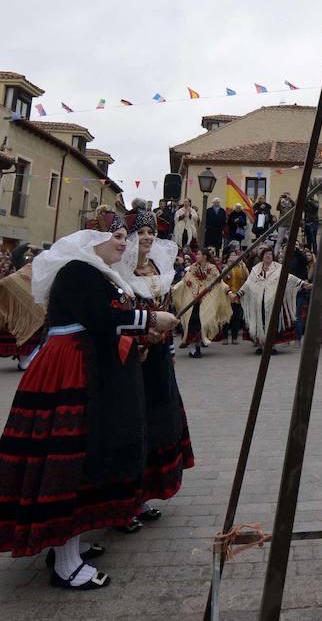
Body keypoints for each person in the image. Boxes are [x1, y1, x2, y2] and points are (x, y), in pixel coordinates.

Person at [0, 221, 180, 589]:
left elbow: (108, 322)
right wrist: (150, 319)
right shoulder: (78, 270)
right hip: (73, 372)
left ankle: (67, 549)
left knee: (86, 458)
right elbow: (101, 318)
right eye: (114, 237)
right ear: (92, 241)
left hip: (89, 369)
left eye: (121, 237)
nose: (122, 243)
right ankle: (66, 564)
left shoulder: (98, 272)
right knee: (72, 462)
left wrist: (142, 333)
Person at [118, 208, 194, 526]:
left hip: (159, 361)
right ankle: (122, 504)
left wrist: (167, 341)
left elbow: (168, 310)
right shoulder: (117, 272)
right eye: (140, 232)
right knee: (130, 429)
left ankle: (143, 496)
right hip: (130, 363)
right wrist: (139, 338)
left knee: (157, 425)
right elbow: (116, 318)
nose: (147, 237)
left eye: (151, 232)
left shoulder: (158, 269)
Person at [237, 246, 309, 354]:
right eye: (266, 254)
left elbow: (289, 277)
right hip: (258, 302)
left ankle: (272, 345)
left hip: (273, 302)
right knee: (259, 322)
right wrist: (238, 294)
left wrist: (303, 283)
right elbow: (248, 284)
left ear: (273, 256)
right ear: (262, 256)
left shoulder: (278, 268)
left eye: (270, 254)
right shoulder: (256, 269)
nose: (268, 256)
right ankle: (261, 345)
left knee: (273, 324)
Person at [171, 248, 231, 358]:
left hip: (206, 301)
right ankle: (195, 347)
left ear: (205, 256)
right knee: (192, 322)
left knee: (204, 322)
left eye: (198, 254)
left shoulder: (212, 268)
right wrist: (175, 288)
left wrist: (228, 291)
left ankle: (200, 342)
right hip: (193, 301)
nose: (196, 256)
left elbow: (219, 282)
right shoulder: (193, 267)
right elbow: (185, 280)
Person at [0, 243, 45, 371]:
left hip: (33, 308)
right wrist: (27, 246)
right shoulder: (25, 268)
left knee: (31, 331)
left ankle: (26, 358)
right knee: (28, 331)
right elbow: (16, 255)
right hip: (25, 307)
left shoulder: (45, 272)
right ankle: (25, 359)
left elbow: (16, 255)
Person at [222, 248, 249, 345]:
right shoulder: (225, 267)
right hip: (227, 296)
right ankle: (225, 337)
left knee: (236, 318)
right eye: (232, 255)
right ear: (228, 257)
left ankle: (234, 337)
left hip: (238, 296)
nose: (234, 257)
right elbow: (222, 280)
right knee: (226, 317)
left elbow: (247, 278)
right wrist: (228, 268)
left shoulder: (242, 267)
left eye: (235, 255)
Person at [274, 193, 295, 257]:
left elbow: (295, 205)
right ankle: (275, 253)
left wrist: (290, 199)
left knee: (290, 240)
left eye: (287, 195)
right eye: (285, 195)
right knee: (279, 240)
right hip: (282, 224)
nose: (285, 196)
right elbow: (277, 208)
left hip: (290, 224)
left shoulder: (291, 203)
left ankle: (290, 253)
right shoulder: (281, 203)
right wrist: (279, 200)